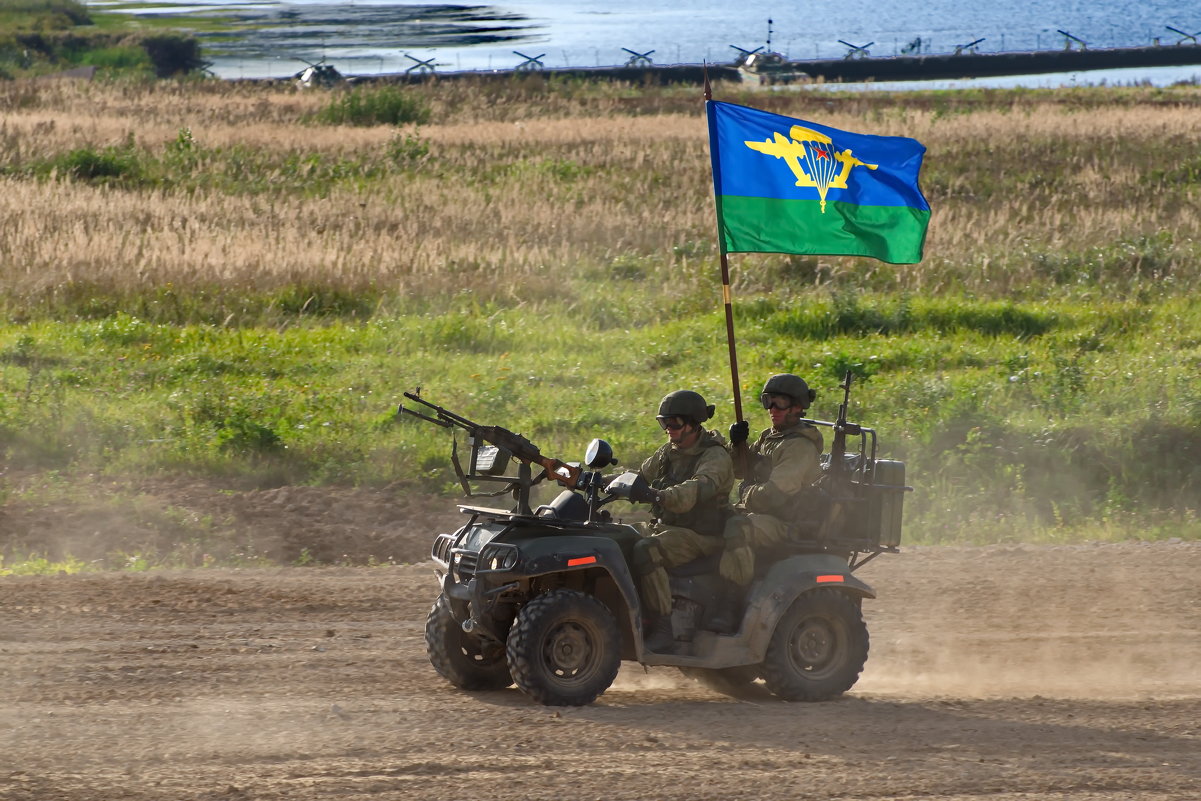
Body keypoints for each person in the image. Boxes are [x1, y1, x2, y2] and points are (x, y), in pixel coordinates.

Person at [608, 389, 734, 651]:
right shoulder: (669, 452)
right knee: (616, 538)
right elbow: (640, 475)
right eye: (663, 422)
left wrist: (657, 495)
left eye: (673, 423)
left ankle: (664, 628)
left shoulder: (715, 456)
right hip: (671, 529)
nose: (668, 429)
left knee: (646, 549)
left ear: (692, 423)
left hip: (702, 536)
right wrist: (600, 481)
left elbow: (693, 491)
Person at [720, 373, 824, 586]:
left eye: (781, 402)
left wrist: (745, 493)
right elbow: (741, 470)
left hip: (787, 522)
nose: (773, 409)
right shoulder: (771, 436)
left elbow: (774, 495)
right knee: (712, 518)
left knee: (736, 528)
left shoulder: (799, 446)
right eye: (769, 401)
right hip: (764, 514)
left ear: (797, 407)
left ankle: (733, 595)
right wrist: (738, 446)